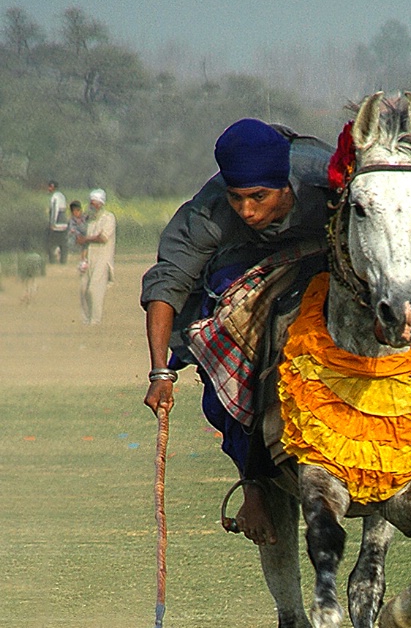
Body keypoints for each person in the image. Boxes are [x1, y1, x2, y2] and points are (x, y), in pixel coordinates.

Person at [141, 118, 333, 545]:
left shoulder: (331, 181)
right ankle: (254, 484)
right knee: (223, 337)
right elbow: (166, 283)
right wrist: (159, 373)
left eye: (258, 197)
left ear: (286, 186)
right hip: (243, 264)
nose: (246, 210)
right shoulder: (210, 212)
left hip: (327, 254)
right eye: (237, 198)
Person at [77, 190, 116, 325]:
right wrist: (83, 259)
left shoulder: (108, 218)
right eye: (91, 203)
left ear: (101, 204)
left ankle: (95, 320)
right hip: (89, 259)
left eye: (95, 204)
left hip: (102, 260)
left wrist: (85, 239)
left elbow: (103, 238)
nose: (92, 206)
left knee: (94, 290)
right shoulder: (89, 220)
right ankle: (86, 319)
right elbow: (84, 242)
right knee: (83, 289)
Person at [47, 181, 68, 264]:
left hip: (57, 223)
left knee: (51, 243)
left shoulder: (54, 197)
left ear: (52, 187)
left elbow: (55, 210)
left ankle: (52, 261)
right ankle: (63, 261)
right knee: (63, 243)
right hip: (64, 222)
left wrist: (52, 223)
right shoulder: (62, 196)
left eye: (49, 187)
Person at [68, 201, 88, 267]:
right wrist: (77, 234)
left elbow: (85, 229)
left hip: (85, 235)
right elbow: (72, 229)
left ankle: (84, 259)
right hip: (76, 236)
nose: (77, 213)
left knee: (86, 242)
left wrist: (80, 223)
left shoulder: (85, 218)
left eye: (78, 210)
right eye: (74, 211)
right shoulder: (72, 220)